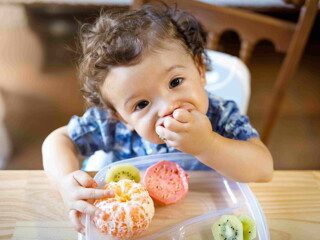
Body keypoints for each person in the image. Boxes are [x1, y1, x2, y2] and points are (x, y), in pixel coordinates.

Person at [42, 4, 273, 235]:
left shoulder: (221, 116)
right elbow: (59, 140)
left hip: (204, 215)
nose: (167, 107)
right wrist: (65, 181)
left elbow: (263, 168)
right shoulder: (114, 127)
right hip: (142, 223)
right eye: (141, 104)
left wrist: (208, 144)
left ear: (200, 70)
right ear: (121, 117)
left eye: (175, 82)